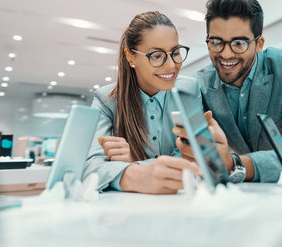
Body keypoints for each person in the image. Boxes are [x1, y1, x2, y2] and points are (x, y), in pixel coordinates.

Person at [174, 0, 282, 183]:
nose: (226, 53)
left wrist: (235, 163)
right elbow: (185, 153)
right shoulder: (201, 85)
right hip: (246, 197)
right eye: (216, 42)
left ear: (259, 44)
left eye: (238, 43)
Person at [83, 11, 200, 194]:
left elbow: (191, 156)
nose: (171, 65)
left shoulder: (190, 90)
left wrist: (134, 165)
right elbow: (89, 166)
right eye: (156, 55)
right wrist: (136, 175)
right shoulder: (106, 100)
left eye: (175, 53)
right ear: (130, 57)